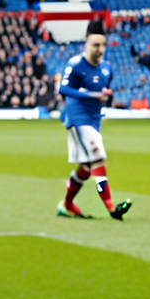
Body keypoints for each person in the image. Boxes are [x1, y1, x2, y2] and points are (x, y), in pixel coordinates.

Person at [56, 21, 132, 220]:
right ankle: (111, 207)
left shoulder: (106, 68)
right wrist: (90, 94)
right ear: (86, 45)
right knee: (99, 159)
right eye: (95, 45)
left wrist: (107, 95)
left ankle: (67, 204)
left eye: (103, 45)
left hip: (94, 119)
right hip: (77, 118)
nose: (100, 50)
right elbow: (63, 90)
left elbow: (104, 92)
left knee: (85, 168)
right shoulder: (75, 65)